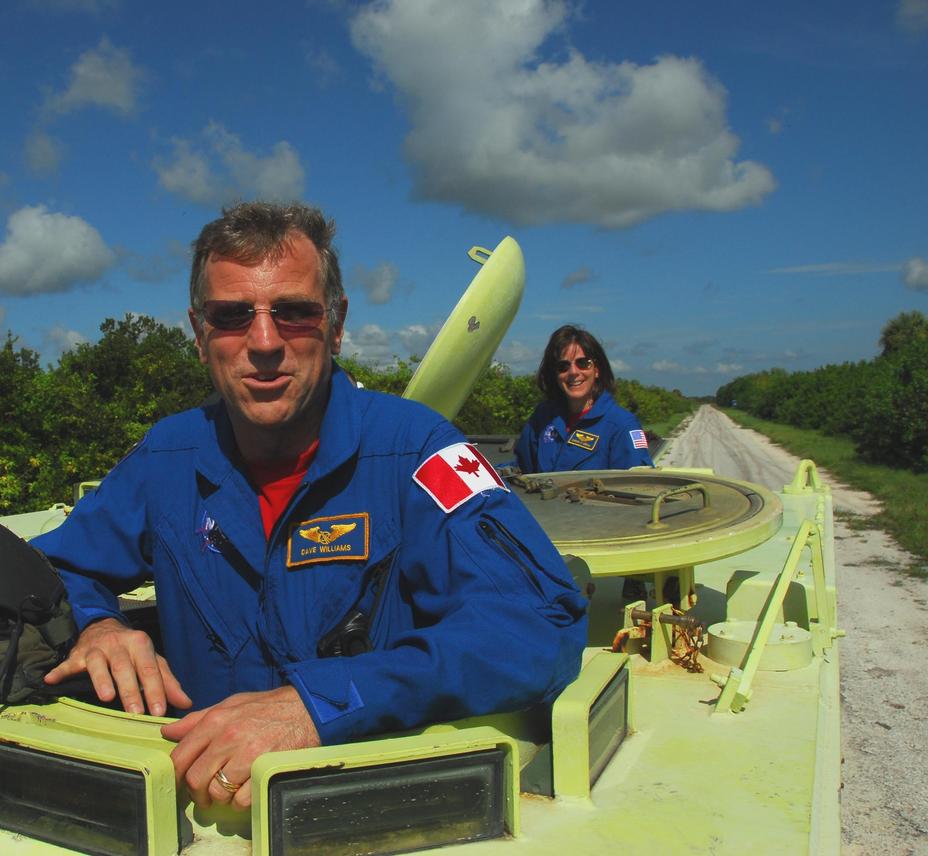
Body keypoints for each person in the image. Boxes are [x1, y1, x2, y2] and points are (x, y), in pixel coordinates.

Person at [33, 202, 587, 811]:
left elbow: (541, 625)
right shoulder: (166, 456)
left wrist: (324, 702)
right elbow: (48, 570)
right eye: (232, 316)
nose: (264, 342)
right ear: (199, 335)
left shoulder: (418, 450)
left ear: (337, 323)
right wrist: (99, 624)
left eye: (295, 313)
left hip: (367, 811)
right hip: (201, 818)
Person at [515, 325, 654, 473]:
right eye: (563, 366)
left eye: (583, 363)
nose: (573, 372)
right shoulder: (543, 417)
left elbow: (637, 484)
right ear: (554, 374)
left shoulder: (622, 424)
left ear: (597, 370)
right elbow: (523, 469)